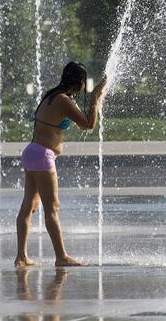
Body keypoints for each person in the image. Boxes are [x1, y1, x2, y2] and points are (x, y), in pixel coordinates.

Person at [15, 61, 106, 267]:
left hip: (32, 152)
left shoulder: (51, 95)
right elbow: (88, 125)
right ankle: (61, 256)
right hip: (42, 156)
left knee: (28, 206)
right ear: (80, 81)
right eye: (84, 82)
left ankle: (21, 256)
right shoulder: (64, 100)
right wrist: (95, 98)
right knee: (52, 208)